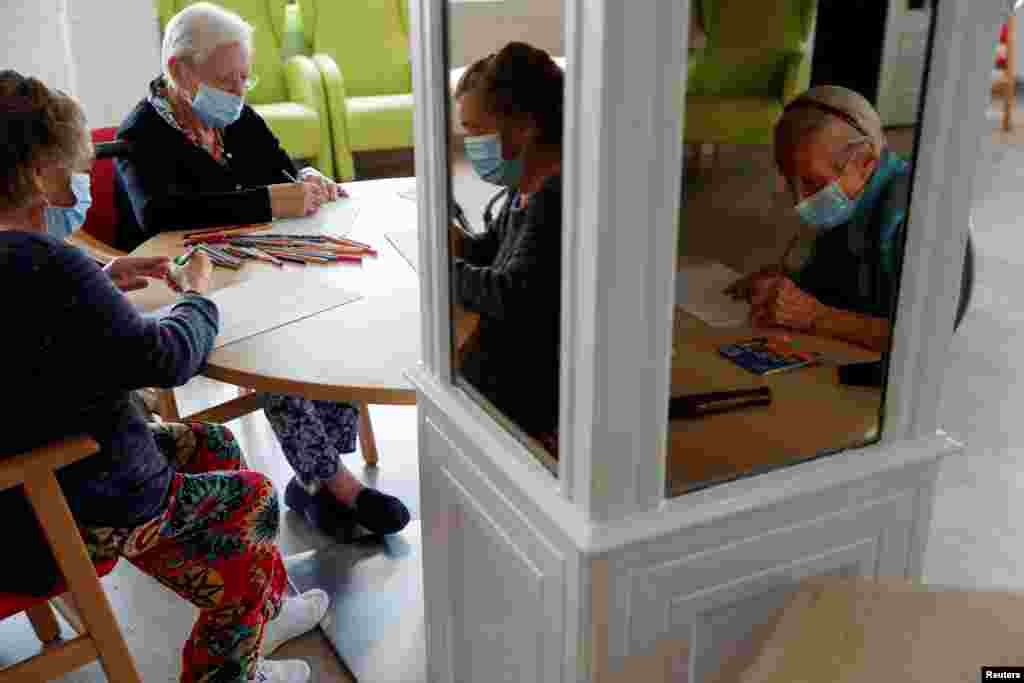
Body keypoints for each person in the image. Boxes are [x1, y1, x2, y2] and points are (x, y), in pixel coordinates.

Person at [0, 70, 326, 683]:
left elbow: (32, 324)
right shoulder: (52, 267)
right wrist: (197, 296)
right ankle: (232, 672)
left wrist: (100, 280)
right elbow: (167, 359)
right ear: (40, 171)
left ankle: (262, 608)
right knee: (251, 498)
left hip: (36, 476)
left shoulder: (37, 265)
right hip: (65, 501)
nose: (78, 182)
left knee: (213, 444)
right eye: (70, 168)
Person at [114, 2, 410, 540]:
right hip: (193, 278)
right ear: (181, 72)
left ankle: (317, 486)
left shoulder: (235, 114)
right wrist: (268, 201)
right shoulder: (140, 132)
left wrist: (306, 178)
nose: (241, 90)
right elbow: (160, 214)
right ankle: (339, 486)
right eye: (229, 80)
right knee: (268, 346)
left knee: (329, 310)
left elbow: (277, 168)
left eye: (246, 77)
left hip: (265, 263)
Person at [726, 85, 911, 352]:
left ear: (865, 162)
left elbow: (921, 342)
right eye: (790, 182)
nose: (799, 202)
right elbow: (840, 285)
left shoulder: (915, 220)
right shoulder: (851, 202)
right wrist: (790, 284)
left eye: (813, 183)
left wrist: (816, 317)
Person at [450, 43, 564, 453]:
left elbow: (511, 295)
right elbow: (491, 252)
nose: (471, 145)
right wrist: (456, 241)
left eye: (477, 131)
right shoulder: (525, 187)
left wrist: (442, 270)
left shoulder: (556, 198)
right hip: (506, 369)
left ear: (525, 126)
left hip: (532, 392)